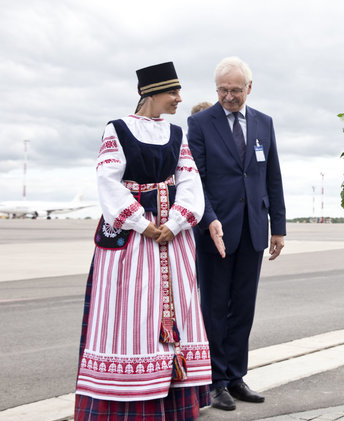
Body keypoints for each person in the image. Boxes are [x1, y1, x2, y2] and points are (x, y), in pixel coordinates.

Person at [74, 62, 212, 420]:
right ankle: (124, 397)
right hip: (133, 240)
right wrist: (140, 223)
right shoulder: (118, 129)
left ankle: (172, 400)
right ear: (150, 94)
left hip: (172, 237)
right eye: (173, 92)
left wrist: (179, 220)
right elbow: (108, 180)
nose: (179, 98)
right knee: (130, 311)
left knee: (175, 311)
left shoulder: (176, 133)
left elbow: (190, 181)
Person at [187, 56, 286, 411]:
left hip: (254, 230)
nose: (229, 97)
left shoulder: (264, 123)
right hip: (215, 231)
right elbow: (194, 180)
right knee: (214, 307)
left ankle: (236, 376)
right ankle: (215, 382)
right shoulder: (199, 123)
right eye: (223, 90)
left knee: (243, 307)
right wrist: (209, 219)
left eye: (235, 90)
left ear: (249, 88)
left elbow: (271, 176)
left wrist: (279, 227)